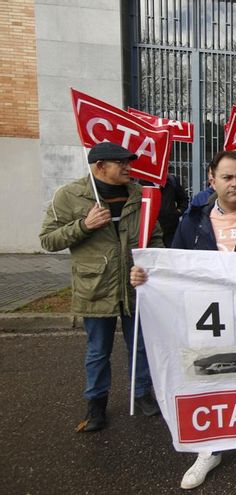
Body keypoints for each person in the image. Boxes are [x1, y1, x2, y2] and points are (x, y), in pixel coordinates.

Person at [132, 150, 236, 489]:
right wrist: (147, 276)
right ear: (212, 179)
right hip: (207, 321)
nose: (235, 183)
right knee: (210, 379)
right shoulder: (192, 221)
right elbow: (173, 266)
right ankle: (211, 448)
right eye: (227, 177)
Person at [38, 142, 163, 433]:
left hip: (135, 285)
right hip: (95, 286)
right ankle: (96, 403)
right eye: (122, 163)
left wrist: (151, 264)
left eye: (129, 162)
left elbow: (155, 236)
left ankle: (142, 393)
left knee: (140, 345)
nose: (129, 167)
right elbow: (47, 240)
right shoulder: (70, 195)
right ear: (100, 166)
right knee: (98, 351)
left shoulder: (140, 194)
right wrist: (84, 225)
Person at [156, 173, 189, 247]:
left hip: (171, 231)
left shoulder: (171, 181)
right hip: (151, 233)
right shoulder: (142, 184)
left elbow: (183, 200)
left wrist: (177, 213)